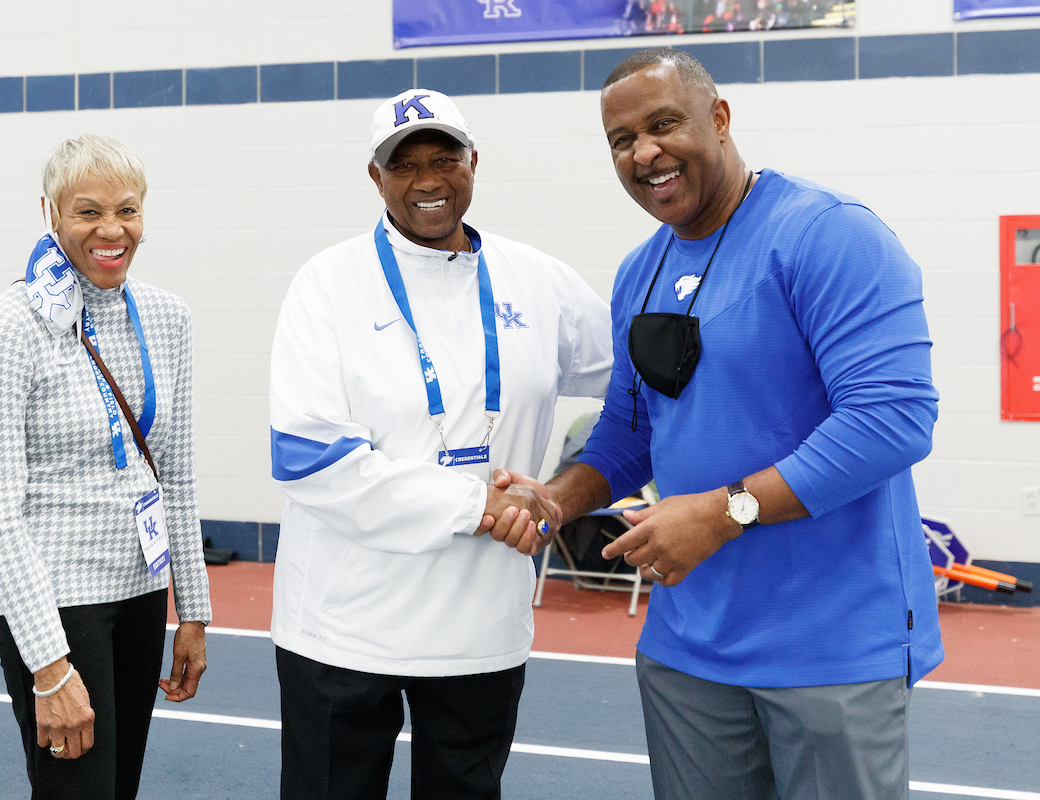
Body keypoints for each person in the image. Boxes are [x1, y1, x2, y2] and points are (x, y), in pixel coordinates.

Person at [494, 49, 943, 799]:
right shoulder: (640, 271)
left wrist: (724, 512)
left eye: (663, 124)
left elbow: (894, 419)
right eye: (621, 139)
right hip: (687, 652)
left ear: (721, 118)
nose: (645, 152)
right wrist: (555, 500)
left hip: (831, 651)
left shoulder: (828, 235)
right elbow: (629, 431)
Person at [268, 88, 613, 799]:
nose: (427, 180)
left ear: (474, 162)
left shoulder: (539, 281)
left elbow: (641, 389)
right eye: (404, 165)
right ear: (375, 177)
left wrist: (572, 490)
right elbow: (309, 459)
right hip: (343, 627)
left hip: (480, 626)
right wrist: (479, 506)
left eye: (444, 158)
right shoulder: (327, 285)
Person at [0, 133, 212, 799]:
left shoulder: (168, 317)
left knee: (116, 789)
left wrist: (193, 609)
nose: (112, 230)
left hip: (139, 595)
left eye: (127, 211)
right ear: (50, 213)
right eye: (88, 211)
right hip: (54, 605)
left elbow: (176, 476)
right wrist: (48, 665)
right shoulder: (8, 327)